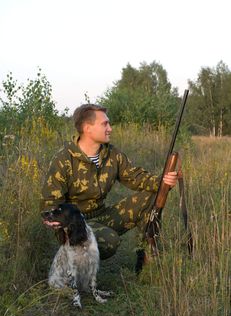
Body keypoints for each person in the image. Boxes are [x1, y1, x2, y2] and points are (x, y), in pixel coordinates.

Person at [41, 104, 178, 260]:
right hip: (74, 223)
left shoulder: (111, 154)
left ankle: (146, 258)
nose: (110, 128)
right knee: (109, 240)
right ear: (88, 128)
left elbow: (135, 177)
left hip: (102, 216)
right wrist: (57, 221)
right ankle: (75, 272)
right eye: (105, 124)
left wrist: (163, 182)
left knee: (152, 196)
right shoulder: (64, 159)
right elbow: (50, 201)